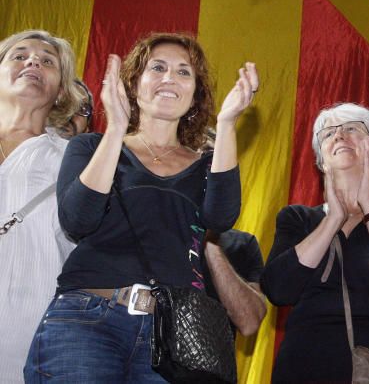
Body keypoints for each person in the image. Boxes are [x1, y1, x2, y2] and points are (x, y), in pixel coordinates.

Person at [24, 32, 258, 382]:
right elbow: (77, 220)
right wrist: (116, 128)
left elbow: (220, 218)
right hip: (87, 321)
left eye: (184, 72)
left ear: (194, 94)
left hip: (170, 338)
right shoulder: (91, 146)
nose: (169, 78)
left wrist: (226, 125)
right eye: (158, 67)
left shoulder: (208, 165)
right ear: (134, 84)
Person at [261, 103, 369, 384]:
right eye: (328, 134)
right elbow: (278, 289)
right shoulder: (297, 218)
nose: (339, 136)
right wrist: (333, 218)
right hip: (304, 366)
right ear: (321, 161)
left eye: (352, 129)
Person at [0, 30, 85, 384]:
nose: (32, 61)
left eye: (47, 61)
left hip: (33, 348)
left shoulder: (77, 164)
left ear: (62, 91)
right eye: (18, 56)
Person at [203, 228, 267, 337]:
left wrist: (211, 244)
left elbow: (249, 322)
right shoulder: (167, 235)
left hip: (216, 350)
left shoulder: (242, 243)